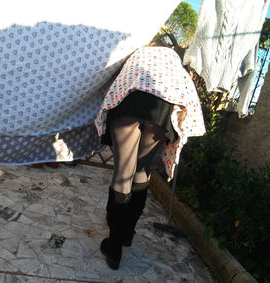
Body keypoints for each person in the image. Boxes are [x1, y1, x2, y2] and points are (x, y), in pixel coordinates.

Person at [94, 46, 206, 270]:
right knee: (142, 171)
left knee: (123, 172)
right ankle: (125, 235)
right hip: (162, 107)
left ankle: (114, 247)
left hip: (131, 98)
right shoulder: (173, 63)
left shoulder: (139, 52)